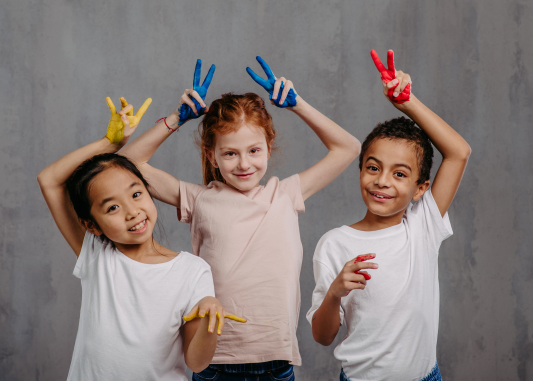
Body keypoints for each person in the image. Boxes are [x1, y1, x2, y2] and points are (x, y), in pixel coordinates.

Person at [121, 57, 361, 380]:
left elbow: (348, 147)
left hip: (276, 364)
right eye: (230, 153)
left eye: (254, 151)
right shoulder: (199, 198)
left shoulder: (285, 194)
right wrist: (177, 119)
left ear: (268, 146)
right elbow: (125, 165)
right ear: (212, 156)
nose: (243, 164)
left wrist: (297, 105)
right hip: (215, 363)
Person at [37, 97, 239, 381]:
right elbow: (49, 179)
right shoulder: (96, 254)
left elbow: (197, 363)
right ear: (91, 225)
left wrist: (209, 322)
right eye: (112, 208)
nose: (132, 212)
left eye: (136, 194)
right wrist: (110, 144)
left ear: (148, 190)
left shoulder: (192, 271)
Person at [307, 50, 472, 381]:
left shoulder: (422, 224)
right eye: (373, 168)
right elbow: (323, 336)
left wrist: (407, 103)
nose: (381, 181)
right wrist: (335, 292)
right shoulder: (335, 243)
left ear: (421, 187)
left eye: (399, 174)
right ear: (360, 171)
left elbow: (458, 152)